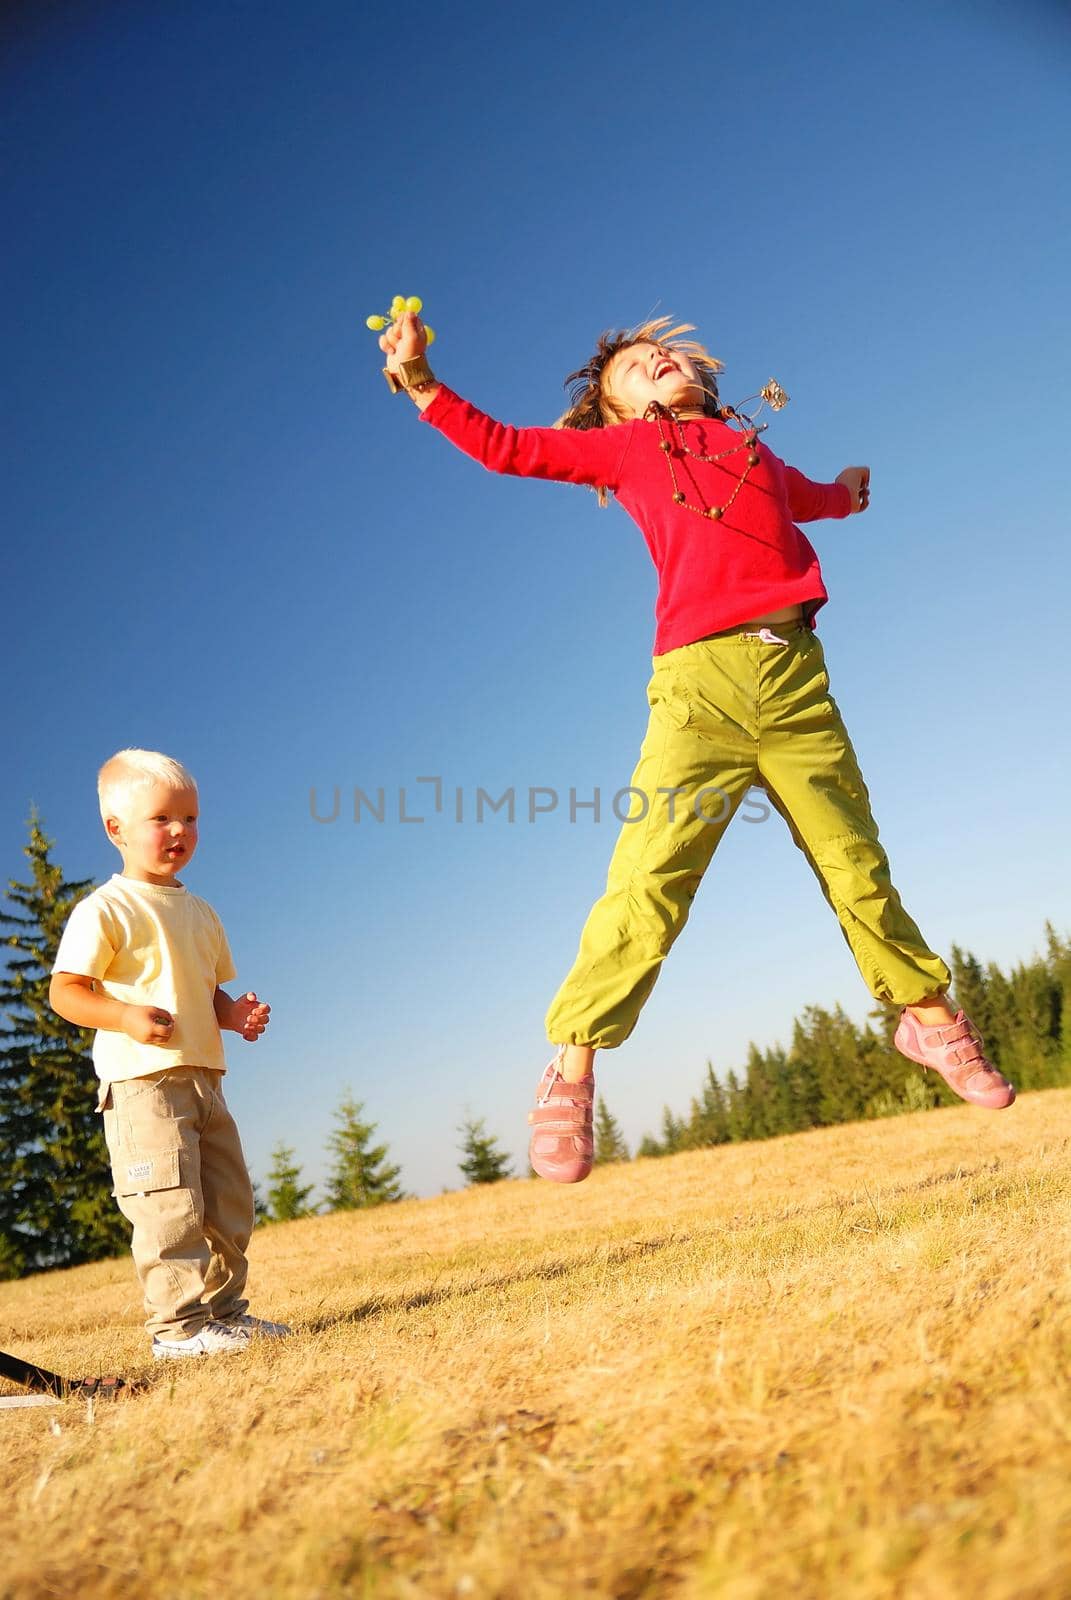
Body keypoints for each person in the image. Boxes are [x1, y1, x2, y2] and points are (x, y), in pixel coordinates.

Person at [376, 312, 1016, 1183]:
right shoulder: (624, 453)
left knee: (853, 862)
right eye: (638, 368)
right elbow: (503, 448)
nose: (659, 362)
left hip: (795, 687)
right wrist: (420, 382)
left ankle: (927, 1016)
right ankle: (570, 1071)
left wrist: (845, 490)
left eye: (665, 354)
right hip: (696, 695)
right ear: (616, 413)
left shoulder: (748, 447)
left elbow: (806, 499)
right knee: (651, 877)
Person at [49, 749, 291, 1357]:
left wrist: (233, 1016)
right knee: (168, 1204)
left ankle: (225, 1313)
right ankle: (177, 1329)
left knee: (228, 1201)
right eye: (162, 818)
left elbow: (206, 989)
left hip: (207, 1081)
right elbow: (66, 992)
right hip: (142, 1086)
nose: (180, 831)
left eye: (190, 818)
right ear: (116, 830)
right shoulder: (105, 910)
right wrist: (123, 1015)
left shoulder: (201, 913)